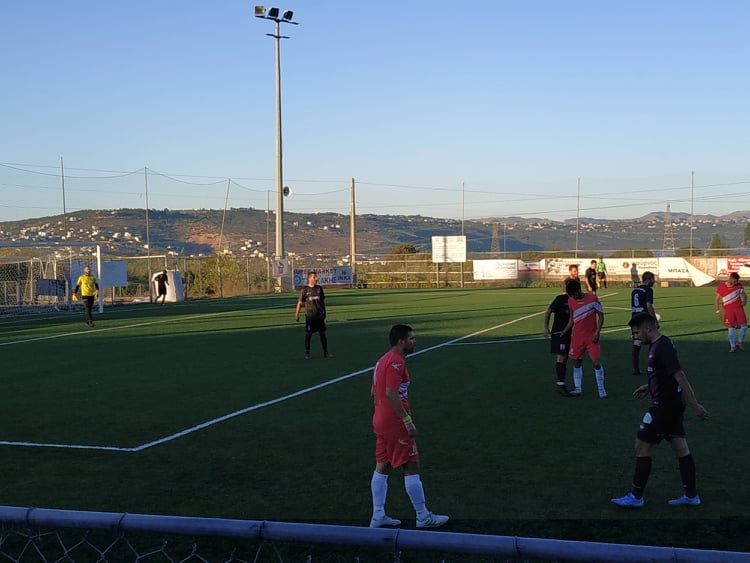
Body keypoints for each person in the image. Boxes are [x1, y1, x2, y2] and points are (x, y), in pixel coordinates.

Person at [611, 313, 708, 508]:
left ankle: (636, 497)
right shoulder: (658, 345)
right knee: (680, 447)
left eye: (637, 333)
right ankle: (691, 495)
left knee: (642, 444)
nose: (636, 337)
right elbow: (664, 374)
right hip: (670, 404)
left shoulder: (662, 347)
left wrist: (695, 405)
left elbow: (679, 376)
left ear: (648, 329)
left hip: (664, 406)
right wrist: (649, 386)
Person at [369, 324, 449, 529]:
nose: (414, 342)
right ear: (401, 341)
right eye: (411, 339)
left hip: (380, 419)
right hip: (394, 422)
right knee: (411, 465)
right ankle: (423, 516)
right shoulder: (396, 362)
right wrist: (407, 421)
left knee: (382, 465)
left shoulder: (382, 360)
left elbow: (374, 391)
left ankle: (378, 515)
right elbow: (391, 393)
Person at [559, 279, 607, 398]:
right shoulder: (571, 301)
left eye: (573, 294)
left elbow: (601, 316)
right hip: (577, 337)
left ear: (578, 291)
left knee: (596, 363)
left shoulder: (592, 299)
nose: (572, 297)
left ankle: (601, 389)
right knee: (577, 362)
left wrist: (597, 332)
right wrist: (565, 330)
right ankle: (578, 388)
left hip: (591, 337)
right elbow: (572, 318)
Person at [543, 280, 573, 396]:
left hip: (569, 333)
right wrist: (546, 328)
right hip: (559, 333)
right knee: (561, 357)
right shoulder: (560, 299)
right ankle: (560, 384)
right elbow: (548, 312)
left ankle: (563, 383)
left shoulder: (573, 299)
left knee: (566, 357)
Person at [295, 271, 333, 359]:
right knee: (308, 334)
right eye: (314, 277)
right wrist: (297, 314)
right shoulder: (304, 290)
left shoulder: (319, 288)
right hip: (310, 316)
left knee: (322, 334)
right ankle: (307, 353)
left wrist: (324, 313)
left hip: (319, 316)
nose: (316, 278)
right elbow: (300, 302)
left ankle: (326, 352)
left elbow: (322, 301)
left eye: (316, 277)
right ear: (309, 278)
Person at [630, 271, 657, 375]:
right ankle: (653, 367)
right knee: (653, 341)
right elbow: (649, 306)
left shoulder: (635, 290)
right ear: (648, 279)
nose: (654, 281)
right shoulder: (648, 290)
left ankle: (635, 368)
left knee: (637, 343)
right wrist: (654, 321)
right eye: (653, 279)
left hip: (634, 319)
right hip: (644, 319)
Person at [714, 272, 748, 352]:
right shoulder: (721, 287)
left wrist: (744, 301)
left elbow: (744, 296)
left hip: (739, 309)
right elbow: (716, 300)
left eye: (736, 281)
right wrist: (718, 311)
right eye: (734, 281)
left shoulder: (739, 285)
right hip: (729, 310)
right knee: (731, 327)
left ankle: (739, 342)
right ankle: (732, 346)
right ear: (730, 278)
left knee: (744, 326)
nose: (735, 283)